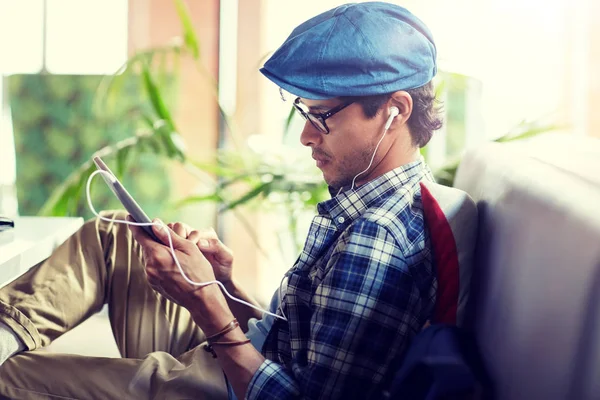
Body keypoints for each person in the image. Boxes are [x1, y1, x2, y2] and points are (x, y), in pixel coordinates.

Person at [0, 2, 444, 399]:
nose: (307, 136)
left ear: (396, 110)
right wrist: (224, 285)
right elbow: (290, 340)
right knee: (115, 233)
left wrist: (205, 304)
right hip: (242, 358)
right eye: (305, 114)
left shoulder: (377, 235)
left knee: (10, 378)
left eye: (323, 116)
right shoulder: (376, 199)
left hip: (233, 385)